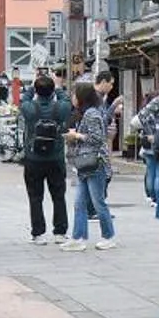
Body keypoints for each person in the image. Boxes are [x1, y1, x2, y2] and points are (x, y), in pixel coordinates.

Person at [63, 79, 116, 251]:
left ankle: (108, 236)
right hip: (85, 165)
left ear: (81, 96)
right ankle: (78, 237)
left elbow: (97, 138)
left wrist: (77, 136)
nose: (72, 97)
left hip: (95, 164)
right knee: (79, 202)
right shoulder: (85, 113)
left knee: (98, 202)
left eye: (74, 94)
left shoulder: (92, 114)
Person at [19, 71, 70, 244]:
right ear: (53, 91)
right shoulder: (60, 108)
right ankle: (60, 232)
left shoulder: (30, 109)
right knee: (58, 195)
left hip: (33, 158)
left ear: (36, 91)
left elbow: (24, 99)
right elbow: (67, 100)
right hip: (55, 158)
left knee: (35, 197)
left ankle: (38, 233)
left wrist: (31, 86)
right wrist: (57, 86)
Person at [134, 86, 159, 221]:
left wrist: (150, 132)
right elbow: (141, 116)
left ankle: (157, 203)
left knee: (155, 172)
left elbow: (141, 116)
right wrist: (152, 133)